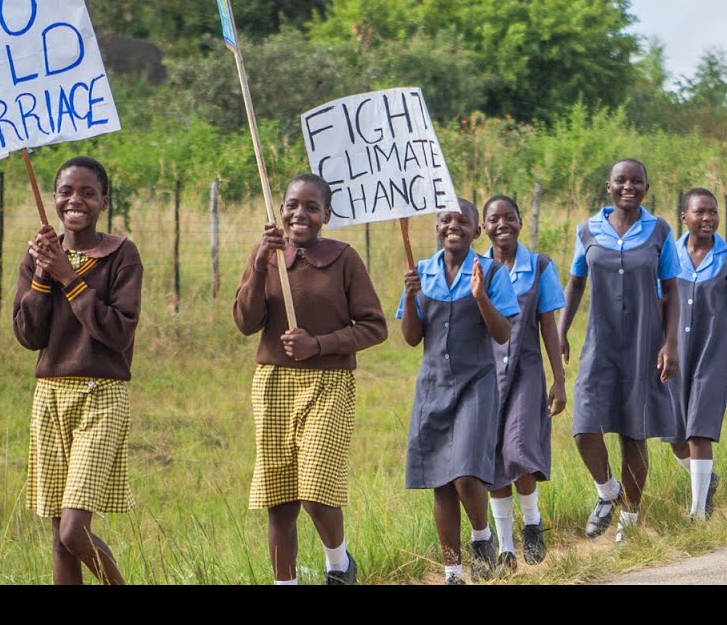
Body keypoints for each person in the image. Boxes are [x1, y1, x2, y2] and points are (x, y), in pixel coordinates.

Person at [233, 173, 387, 585]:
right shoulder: (265, 255)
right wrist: (258, 263)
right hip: (273, 384)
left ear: (326, 215)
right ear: (279, 210)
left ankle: (339, 565)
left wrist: (317, 344)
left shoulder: (344, 258)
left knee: (316, 491)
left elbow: (374, 327)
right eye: (292, 205)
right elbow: (246, 323)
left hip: (328, 384)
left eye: (311, 207)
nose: (300, 214)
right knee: (280, 498)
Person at [13, 156, 142, 585]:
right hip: (50, 395)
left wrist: (69, 277)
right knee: (58, 533)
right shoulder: (39, 257)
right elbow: (29, 336)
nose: (76, 200)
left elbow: (117, 333)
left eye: (88, 192)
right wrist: (41, 279)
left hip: (101, 395)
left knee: (74, 529)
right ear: (53, 199)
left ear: (104, 200)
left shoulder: (122, 255)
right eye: (66, 191)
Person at [558, 159, 680, 543]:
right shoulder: (587, 230)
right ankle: (608, 493)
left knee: (634, 431)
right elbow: (576, 283)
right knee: (585, 427)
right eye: (621, 180)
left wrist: (671, 341)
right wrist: (561, 330)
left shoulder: (660, 231)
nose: (629, 186)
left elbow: (672, 289)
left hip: (645, 342)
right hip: (601, 342)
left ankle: (628, 524)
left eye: (637, 181)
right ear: (608, 186)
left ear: (646, 187)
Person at [398, 198, 520, 584]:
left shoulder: (492, 272)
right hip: (434, 387)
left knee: (466, 474)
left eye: (463, 221)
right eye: (446, 220)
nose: (454, 226)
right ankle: (453, 571)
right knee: (440, 481)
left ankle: (482, 538)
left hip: (476, 384)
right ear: (436, 226)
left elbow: (503, 334)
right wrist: (410, 297)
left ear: (475, 230)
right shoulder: (421, 272)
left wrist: (481, 296)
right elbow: (412, 338)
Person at [481, 195, 567, 570]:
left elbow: (548, 324)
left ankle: (532, 523)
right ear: (482, 227)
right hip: (484, 377)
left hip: (526, 372)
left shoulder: (540, 265)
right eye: (493, 219)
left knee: (517, 452)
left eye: (509, 217)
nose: (502, 225)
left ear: (519, 221)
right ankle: (506, 549)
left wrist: (559, 380)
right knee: (492, 463)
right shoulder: (475, 268)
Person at [668, 188, 727, 518]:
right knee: (674, 433)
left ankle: (698, 513)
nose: (708, 218)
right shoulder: (668, 256)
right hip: (675, 356)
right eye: (700, 212)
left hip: (714, 355)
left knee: (700, 430)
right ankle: (707, 482)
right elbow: (658, 306)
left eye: (713, 212)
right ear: (685, 218)